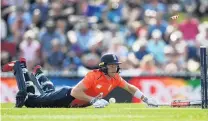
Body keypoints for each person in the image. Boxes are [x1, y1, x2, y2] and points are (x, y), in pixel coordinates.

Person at [1, 54, 158, 108]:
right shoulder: (93, 75)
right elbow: (76, 92)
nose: (116, 68)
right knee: (28, 102)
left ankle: (39, 74)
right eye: (112, 65)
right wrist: (93, 101)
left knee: (47, 92)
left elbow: (130, 88)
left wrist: (145, 99)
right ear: (104, 67)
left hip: (71, 102)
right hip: (66, 98)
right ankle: (19, 66)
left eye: (116, 65)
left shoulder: (115, 78)